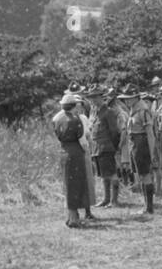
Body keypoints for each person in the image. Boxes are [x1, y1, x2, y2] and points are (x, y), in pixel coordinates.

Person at [53, 93, 91, 227]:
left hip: (63, 151)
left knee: (68, 185)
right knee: (75, 185)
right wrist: (86, 150)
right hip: (75, 153)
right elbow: (82, 140)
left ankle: (70, 217)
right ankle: (74, 219)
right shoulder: (75, 119)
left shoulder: (56, 118)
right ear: (73, 106)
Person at [91, 88, 124, 209]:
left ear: (101, 97)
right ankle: (106, 199)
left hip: (107, 147)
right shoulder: (96, 112)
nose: (93, 100)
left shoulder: (108, 112)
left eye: (95, 97)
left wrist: (114, 147)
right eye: (91, 97)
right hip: (97, 148)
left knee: (112, 174)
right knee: (104, 175)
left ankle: (114, 201)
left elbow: (114, 132)